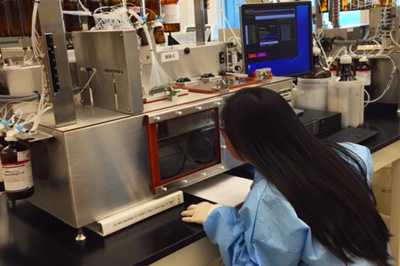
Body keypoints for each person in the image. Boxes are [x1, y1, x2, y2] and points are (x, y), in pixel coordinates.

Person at [181, 88, 391, 266]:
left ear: (239, 139)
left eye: (224, 131)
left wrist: (217, 217)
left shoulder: (271, 198)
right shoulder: (348, 155)